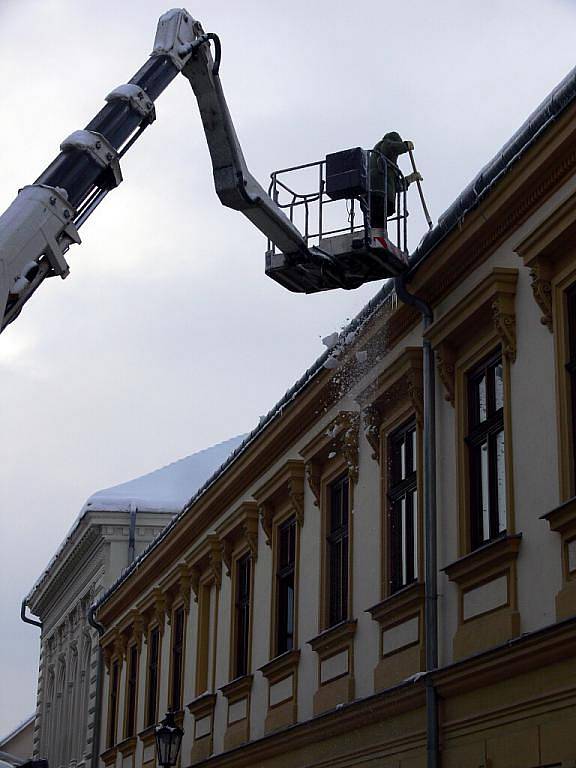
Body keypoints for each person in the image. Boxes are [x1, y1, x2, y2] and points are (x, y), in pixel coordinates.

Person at [369, 132, 413, 228]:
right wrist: (405, 145)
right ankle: (376, 239)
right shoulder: (384, 145)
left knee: (377, 226)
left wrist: (410, 179)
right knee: (376, 225)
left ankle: (376, 239)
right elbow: (391, 147)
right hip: (377, 195)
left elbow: (395, 186)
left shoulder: (390, 168)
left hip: (380, 197)